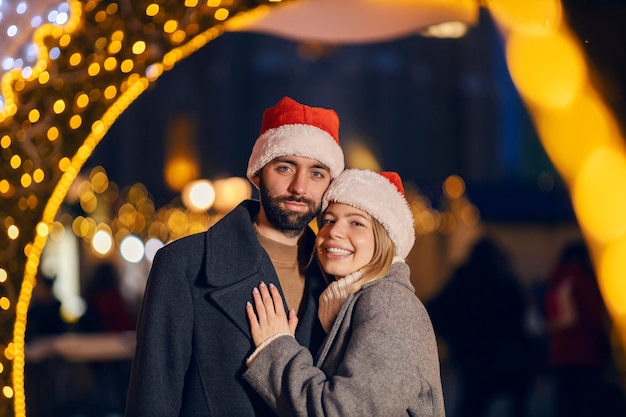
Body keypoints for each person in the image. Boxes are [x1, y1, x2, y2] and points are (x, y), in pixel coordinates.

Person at [124, 96, 345, 417]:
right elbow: (153, 399)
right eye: (285, 167)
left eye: (317, 173)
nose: (299, 187)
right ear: (257, 174)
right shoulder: (184, 264)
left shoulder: (338, 276)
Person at [244, 169, 445, 416]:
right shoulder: (348, 304)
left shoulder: (390, 302)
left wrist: (274, 347)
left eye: (356, 222)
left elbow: (341, 411)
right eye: (328, 220)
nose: (334, 232)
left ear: (385, 238)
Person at [426, 237, 532, 417]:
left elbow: (434, 310)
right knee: (514, 402)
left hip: (472, 354)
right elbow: (520, 317)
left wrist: (454, 335)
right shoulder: (504, 281)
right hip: (501, 354)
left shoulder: (464, 281)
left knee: (472, 404)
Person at [545, 241, 624, 417]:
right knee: (583, 402)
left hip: (560, 352)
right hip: (583, 351)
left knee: (567, 400)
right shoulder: (579, 280)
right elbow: (585, 317)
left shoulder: (556, 280)